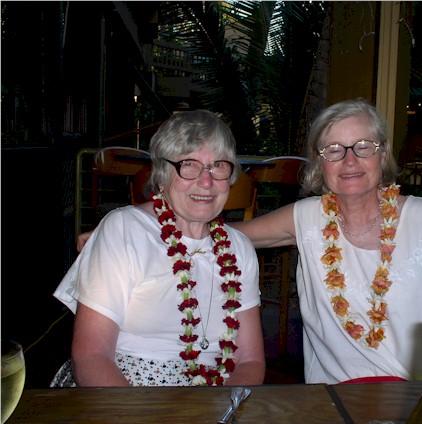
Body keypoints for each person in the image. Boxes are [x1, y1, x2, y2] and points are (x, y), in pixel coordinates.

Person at [78, 98, 422, 384]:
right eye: (334, 149)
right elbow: (213, 231)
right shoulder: (309, 217)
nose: (350, 160)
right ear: (319, 162)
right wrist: (139, 223)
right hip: (343, 394)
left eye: (364, 147)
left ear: (383, 153)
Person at [53, 110, 265, 387]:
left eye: (218, 165)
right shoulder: (125, 230)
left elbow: (250, 361)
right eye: (188, 165)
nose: (206, 181)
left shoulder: (239, 249)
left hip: (213, 396)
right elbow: (91, 356)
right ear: (162, 176)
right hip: (122, 392)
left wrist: (226, 406)